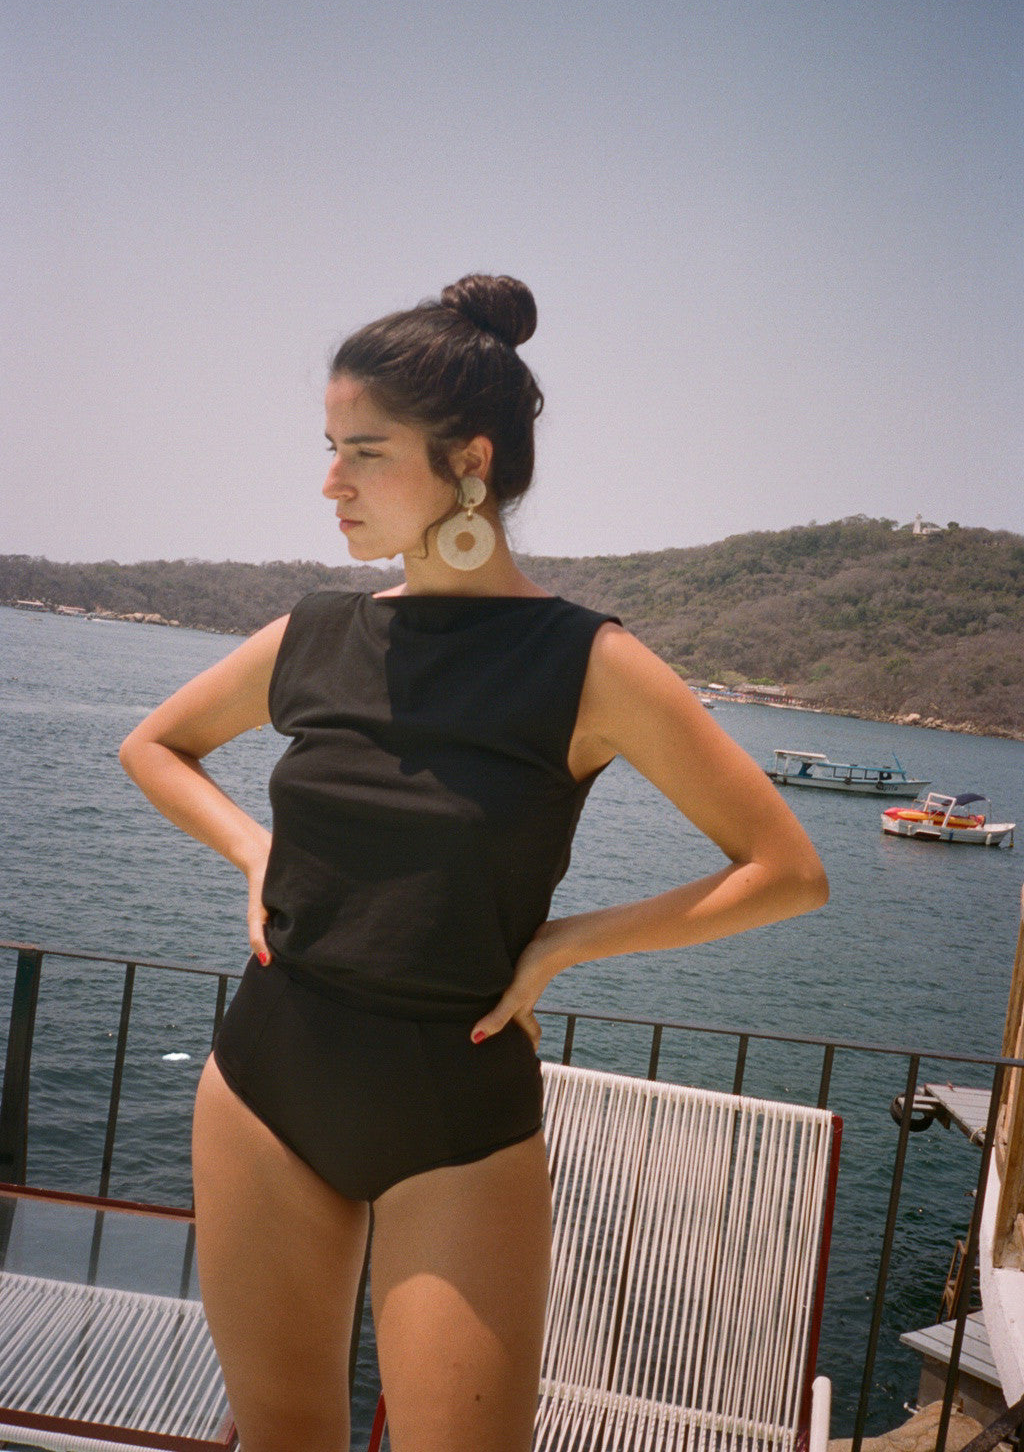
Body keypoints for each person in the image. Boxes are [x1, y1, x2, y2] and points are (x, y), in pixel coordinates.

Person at [119, 273, 828, 1452]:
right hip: (264, 1078)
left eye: (364, 451)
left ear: (469, 461)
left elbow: (785, 867)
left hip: (456, 1112)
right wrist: (255, 848)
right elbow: (153, 745)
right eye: (329, 449)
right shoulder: (316, 632)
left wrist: (563, 943)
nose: (331, 482)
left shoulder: (586, 661)